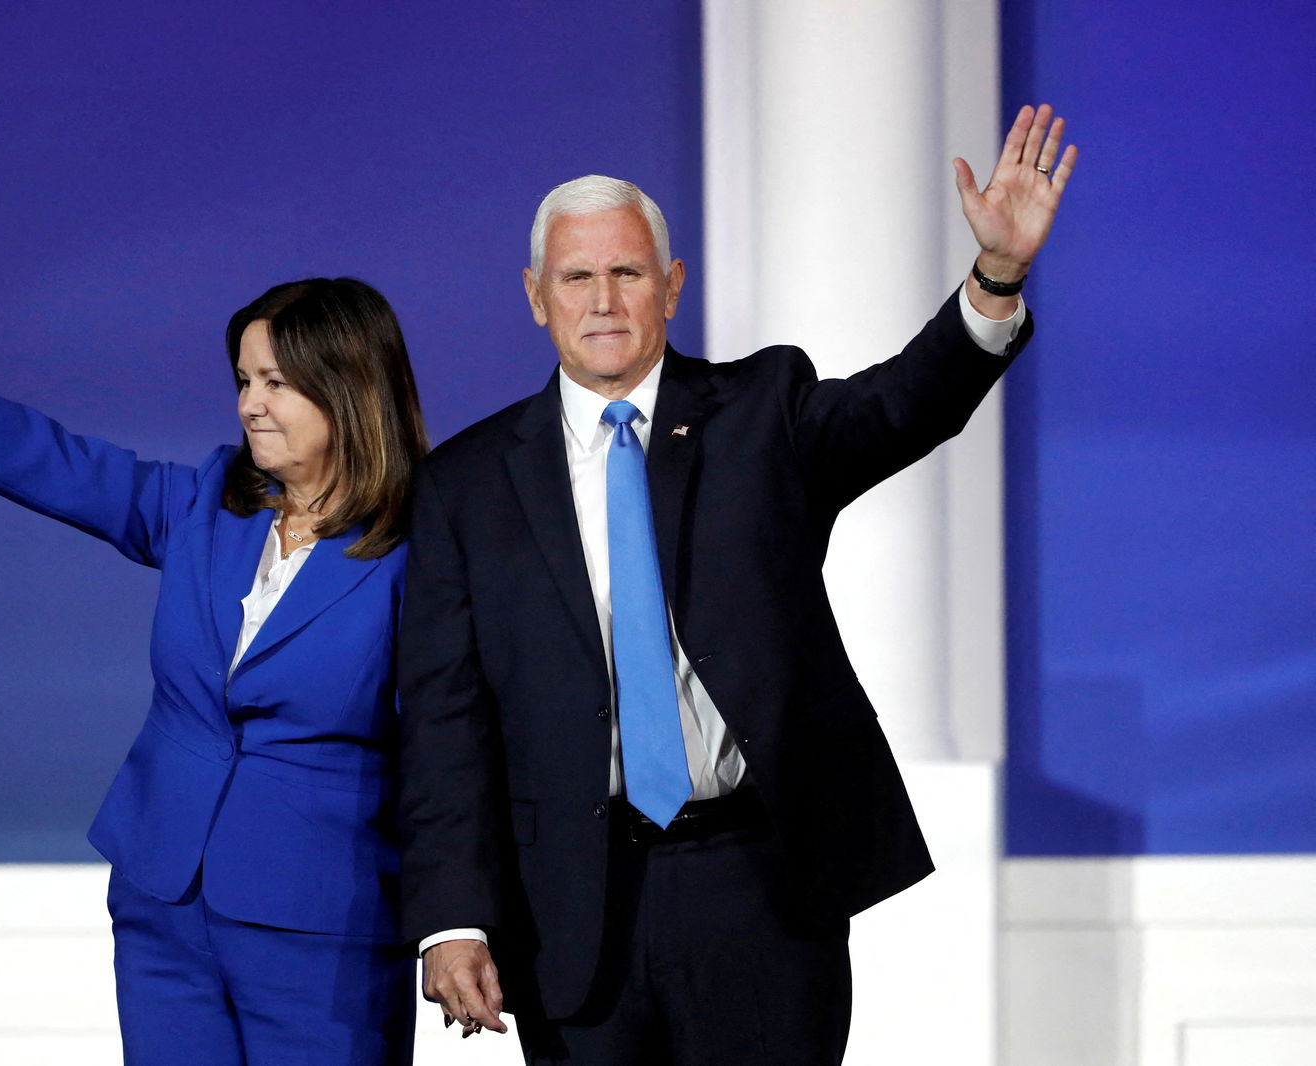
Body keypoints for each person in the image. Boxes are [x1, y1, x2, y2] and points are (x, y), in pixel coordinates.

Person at [397, 104, 1077, 1064]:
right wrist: (452, 915)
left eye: (629, 273)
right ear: (535, 296)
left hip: (758, 890)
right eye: (577, 277)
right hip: (572, 907)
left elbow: (901, 406)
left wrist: (996, 275)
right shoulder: (465, 486)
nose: (603, 300)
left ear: (672, 287)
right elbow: (444, 723)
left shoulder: (761, 414)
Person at [0, 232, 428, 1065]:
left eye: (277, 383)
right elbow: (58, 465)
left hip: (321, 920)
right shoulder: (210, 504)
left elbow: (452, 747)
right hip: (164, 902)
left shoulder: (420, 549)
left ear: (349, 389)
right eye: (244, 381)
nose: (251, 405)